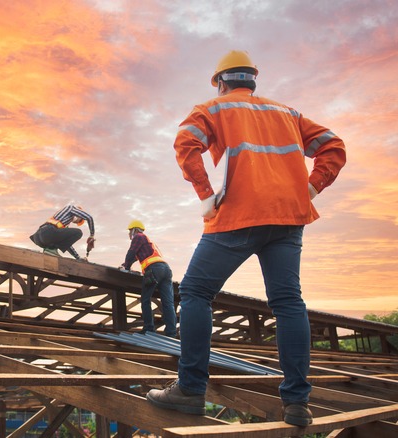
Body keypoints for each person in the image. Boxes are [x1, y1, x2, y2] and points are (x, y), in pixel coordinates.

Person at [146, 50, 346, 426]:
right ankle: (297, 403)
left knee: (195, 293)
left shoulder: (215, 108)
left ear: (221, 82)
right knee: (288, 301)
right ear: (253, 81)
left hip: (239, 215)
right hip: (288, 217)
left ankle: (189, 390)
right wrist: (311, 188)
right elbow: (334, 146)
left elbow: (186, 143)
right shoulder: (287, 113)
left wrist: (205, 195)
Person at [119, 220, 177, 337]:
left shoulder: (138, 237)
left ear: (134, 230)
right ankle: (171, 333)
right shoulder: (148, 242)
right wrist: (125, 264)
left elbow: (131, 252)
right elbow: (135, 256)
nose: (129, 234)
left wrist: (125, 267)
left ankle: (149, 329)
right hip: (166, 270)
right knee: (168, 303)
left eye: (130, 231)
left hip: (154, 269)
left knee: (145, 299)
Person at [29, 203, 95, 260]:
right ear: (79, 215)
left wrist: (78, 258)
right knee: (78, 232)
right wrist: (91, 236)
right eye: (80, 220)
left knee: (65, 236)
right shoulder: (71, 208)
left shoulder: (63, 222)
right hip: (47, 233)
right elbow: (89, 217)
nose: (76, 222)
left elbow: (67, 244)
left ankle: (49, 250)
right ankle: (52, 249)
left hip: (38, 238)